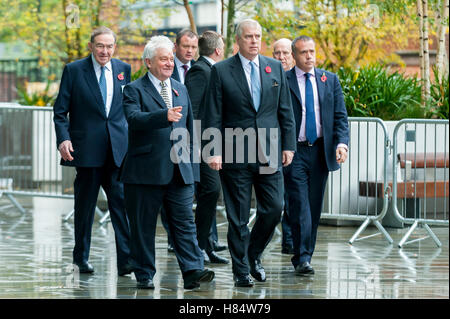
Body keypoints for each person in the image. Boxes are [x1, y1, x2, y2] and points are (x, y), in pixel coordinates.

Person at [204, 19, 296, 287]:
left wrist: (288, 145)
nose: (254, 41)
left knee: (274, 208)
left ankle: (253, 254)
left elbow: (285, 111)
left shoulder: (274, 67)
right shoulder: (221, 71)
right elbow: (213, 113)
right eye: (248, 37)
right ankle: (241, 271)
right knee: (238, 217)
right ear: (238, 41)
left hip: (269, 151)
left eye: (257, 36)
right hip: (234, 152)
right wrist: (213, 151)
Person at [119, 35, 214, 290]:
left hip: (180, 171)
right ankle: (145, 273)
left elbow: (191, 130)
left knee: (184, 222)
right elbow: (134, 119)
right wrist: (164, 116)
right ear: (148, 62)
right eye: (163, 59)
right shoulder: (133, 89)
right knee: (144, 226)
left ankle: (193, 270)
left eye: (171, 59)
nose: (169, 63)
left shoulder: (180, 88)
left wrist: (193, 171)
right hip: (145, 171)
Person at [53, 27, 132, 275]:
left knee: (121, 207)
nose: (105, 51)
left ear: (114, 47)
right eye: (100, 46)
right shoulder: (74, 71)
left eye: (109, 46)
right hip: (87, 152)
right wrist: (63, 139)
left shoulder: (123, 70)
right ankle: (81, 258)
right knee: (85, 207)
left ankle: (126, 261)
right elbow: (60, 112)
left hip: (117, 152)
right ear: (91, 46)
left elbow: (126, 110)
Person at [284, 35, 349, 276]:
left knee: (313, 207)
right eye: (304, 52)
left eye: (312, 51)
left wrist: (342, 143)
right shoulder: (285, 79)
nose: (309, 56)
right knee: (300, 204)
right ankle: (302, 257)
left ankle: (306, 255)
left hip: (321, 151)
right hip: (295, 151)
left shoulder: (329, 80)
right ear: (294, 55)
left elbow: (340, 116)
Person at [184, 30, 228, 265]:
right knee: (209, 191)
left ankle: (207, 246)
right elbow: (196, 111)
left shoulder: (212, 70)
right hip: (203, 147)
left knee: (210, 195)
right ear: (218, 50)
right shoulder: (200, 71)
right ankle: (199, 246)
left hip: (213, 145)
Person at [272, 38, 295, 254]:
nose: (281, 57)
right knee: (279, 197)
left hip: (297, 146)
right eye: (277, 53)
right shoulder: (270, 78)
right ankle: (286, 239)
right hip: (275, 147)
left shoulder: (298, 78)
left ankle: (290, 239)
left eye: (285, 53)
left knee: (293, 196)